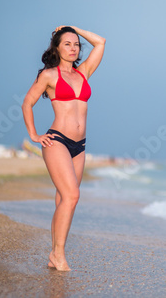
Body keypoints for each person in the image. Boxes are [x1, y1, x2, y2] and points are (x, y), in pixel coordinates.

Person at [22, 25, 106, 271]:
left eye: (76, 44)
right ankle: (59, 255)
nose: (73, 48)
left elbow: (101, 42)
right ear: (56, 48)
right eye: (67, 43)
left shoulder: (84, 73)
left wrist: (73, 27)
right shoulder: (49, 75)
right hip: (56, 140)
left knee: (64, 200)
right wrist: (34, 135)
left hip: (79, 146)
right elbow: (27, 103)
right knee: (72, 196)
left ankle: (54, 254)